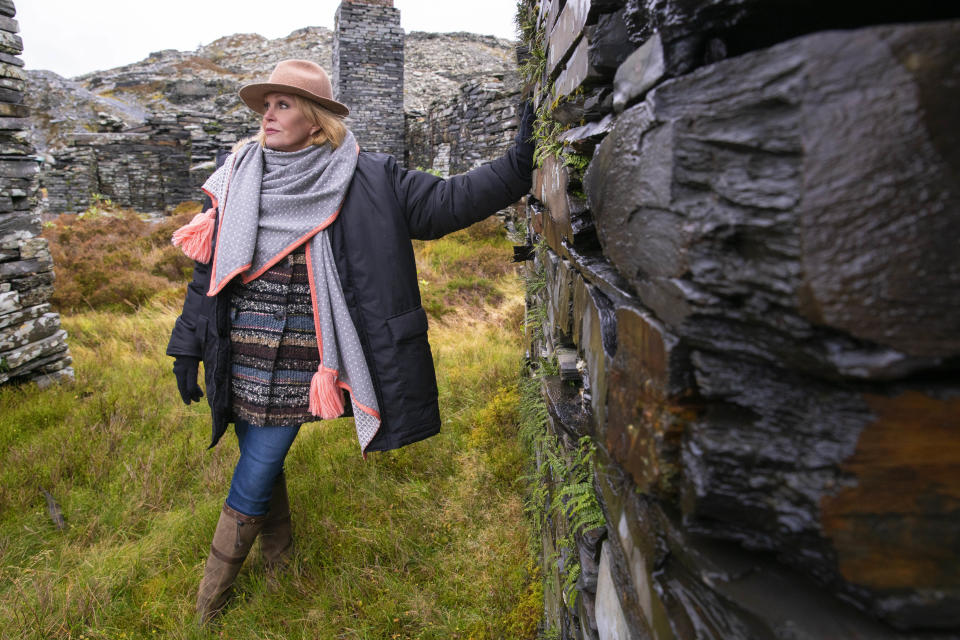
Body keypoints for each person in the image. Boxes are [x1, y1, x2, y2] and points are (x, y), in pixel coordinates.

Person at [166, 59, 533, 623]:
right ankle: (281, 562)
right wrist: (189, 344)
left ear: (314, 121)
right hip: (240, 346)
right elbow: (207, 266)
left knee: (262, 458)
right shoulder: (237, 173)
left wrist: (517, 165)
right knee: (258, 455)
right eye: (265, 105)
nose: (267, 114)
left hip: (304, 359)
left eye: (282, 104)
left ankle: (207, 601)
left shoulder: (367, 177)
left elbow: (446, 204)